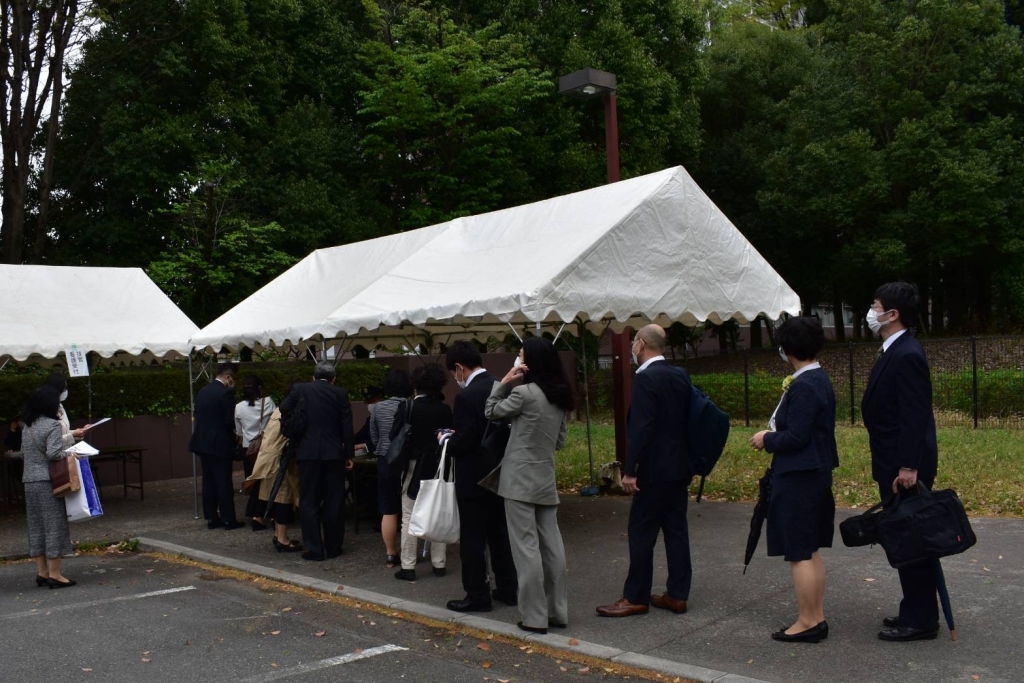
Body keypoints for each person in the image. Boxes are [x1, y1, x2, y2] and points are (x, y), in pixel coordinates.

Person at [750, 316, 839, 644]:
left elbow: (797, 436)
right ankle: (816, 617)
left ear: (786, 348)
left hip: (799, 475)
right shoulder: (817, 377)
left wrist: (766, 439)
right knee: (810, 549)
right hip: (815, 473)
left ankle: (807, 621)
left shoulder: (804, 385)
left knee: (798, 551)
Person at [596, 324, 693, 619]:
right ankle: (677, 594)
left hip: (653, 469)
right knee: (676, 530)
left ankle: (636, 596)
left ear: (640, 344)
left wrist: (630, 470)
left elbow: (640, 428)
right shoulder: (680, 375)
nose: (632, 349)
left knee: (641, 532)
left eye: (634, 343)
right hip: (679, 465)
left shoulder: (646, 379)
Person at [861, 282, 940, 642]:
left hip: (902, 467)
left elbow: (915, 414)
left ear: (892, 314)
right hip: (892, 461)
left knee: (911, 541)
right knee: (905, 539)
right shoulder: (893, 349)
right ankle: (915, 609)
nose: (871, 311)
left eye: (876, 306)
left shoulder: (907, 353)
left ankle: (921, 619)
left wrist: (908, 466)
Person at [484, 337, 573, 634]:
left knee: (526, 549)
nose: (517, 360)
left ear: (529, 363)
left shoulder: (523, 393)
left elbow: (491, 411)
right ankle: (557, 610)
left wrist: (505, 381)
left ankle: (534, 617)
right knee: (552, 546)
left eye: (520, 356)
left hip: (518, 482)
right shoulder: (560, 395)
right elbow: (559, 441)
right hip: (545, 478)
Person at [441, 341, 518, 613]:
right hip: (502, 473)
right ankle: (509, 588)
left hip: (472, 476)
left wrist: (446, 440)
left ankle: (477, 594)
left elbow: (465, 442)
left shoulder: (466, 396)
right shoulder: (503, 385)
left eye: (454, 372)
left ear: (460, 368)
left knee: (473, 538)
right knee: (500, 533)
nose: (455, 378)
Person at [280, 361, 354, 561]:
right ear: (333, 379)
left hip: (307, 451)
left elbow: (283, 407)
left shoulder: (301, 389)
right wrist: (348, 454)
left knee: (309, 501)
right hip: (333, 454)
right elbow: (347, 426)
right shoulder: (339, 393)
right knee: (334, 501)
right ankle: (333, 546)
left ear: (313, 377)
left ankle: (314, 548)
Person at [394, 363, 453, 581]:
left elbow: (394, 435)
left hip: (412, 465)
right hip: (438, 466)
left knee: (408, 514)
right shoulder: (444, 409)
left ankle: (408, 566)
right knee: (438, 511)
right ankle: (439, 563)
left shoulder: (408, 408)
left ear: (415, 385)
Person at [21, 386, 77, 588]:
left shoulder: (28, 426)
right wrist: (71, 454)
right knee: (54, 525)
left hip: (29, 481)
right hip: (48, 481)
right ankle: (55, 574)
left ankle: (42, 572)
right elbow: (54, 454)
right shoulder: (52, 425)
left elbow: (23, 452)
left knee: (36, 526)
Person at [244, 380, 302, 552]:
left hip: (268, 460)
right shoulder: (290, 412)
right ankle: (283, 540)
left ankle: (279, 536)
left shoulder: (279, 409)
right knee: (283, 499)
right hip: (278, 462)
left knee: (277, 498)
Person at [189, 362, 242, 530]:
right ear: (228, 377)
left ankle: (211, 518)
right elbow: (229, 421)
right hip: (220, 443)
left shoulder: (202, 391)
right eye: (233, 379)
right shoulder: (225, 393)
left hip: (202, 442)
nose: (233, 382)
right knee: (224, 481)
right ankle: (228, 519)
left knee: (209, 481)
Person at [370, 369, 412, 569]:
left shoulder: (377, 408)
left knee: (389, 508)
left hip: (385, 459)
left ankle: (390, 554)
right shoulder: (412, 406)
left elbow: (374, 436)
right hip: (408, 460)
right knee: (409, 508)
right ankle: (409, 553)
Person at [235, 375, 277, 529]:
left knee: (254, 482)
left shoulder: (238, 407)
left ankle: (257, 516)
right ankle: (268, 515)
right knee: (268, 482)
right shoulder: (268, 402)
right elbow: (276, 422)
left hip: (249, 451)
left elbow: (239, 432)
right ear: (259, 388)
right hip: (266, 447)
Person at [44, 373, 89, 449]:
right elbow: (48, 441)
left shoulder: (60, 406)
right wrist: (73, 435)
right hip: (55, 457)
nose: (66, 391)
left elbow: (64, 432)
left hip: (66, 454)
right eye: (64, 388)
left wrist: (79, 432)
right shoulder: (44, 409)